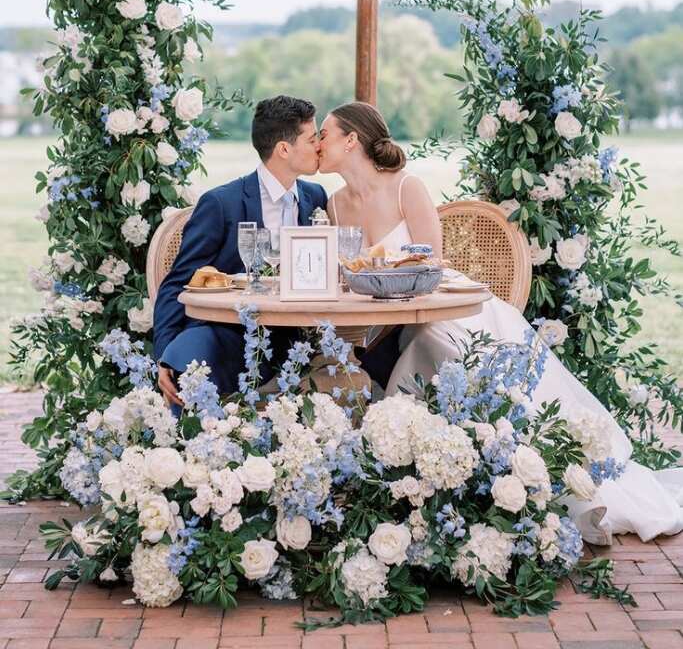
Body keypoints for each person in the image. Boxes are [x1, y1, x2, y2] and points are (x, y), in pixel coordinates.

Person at [318, 99, 683, 545]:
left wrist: (389, 273)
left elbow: (435, 262)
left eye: (324, 133)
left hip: (449, 312)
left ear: (351, 140)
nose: (318, 142)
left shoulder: (404, 187)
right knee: (417, 347)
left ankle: (544, 481)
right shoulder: (335, 205)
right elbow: (347, 272)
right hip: (390, 324)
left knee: (438, 345)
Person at [154, 95, 327, 409]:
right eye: (312, 138)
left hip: (296, 340)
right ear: (284, 149)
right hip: (230, 336)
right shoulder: (222, 204)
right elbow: (177, 283)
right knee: (189, 353)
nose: (319, 146)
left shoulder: (316, 197)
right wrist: (166, 353)